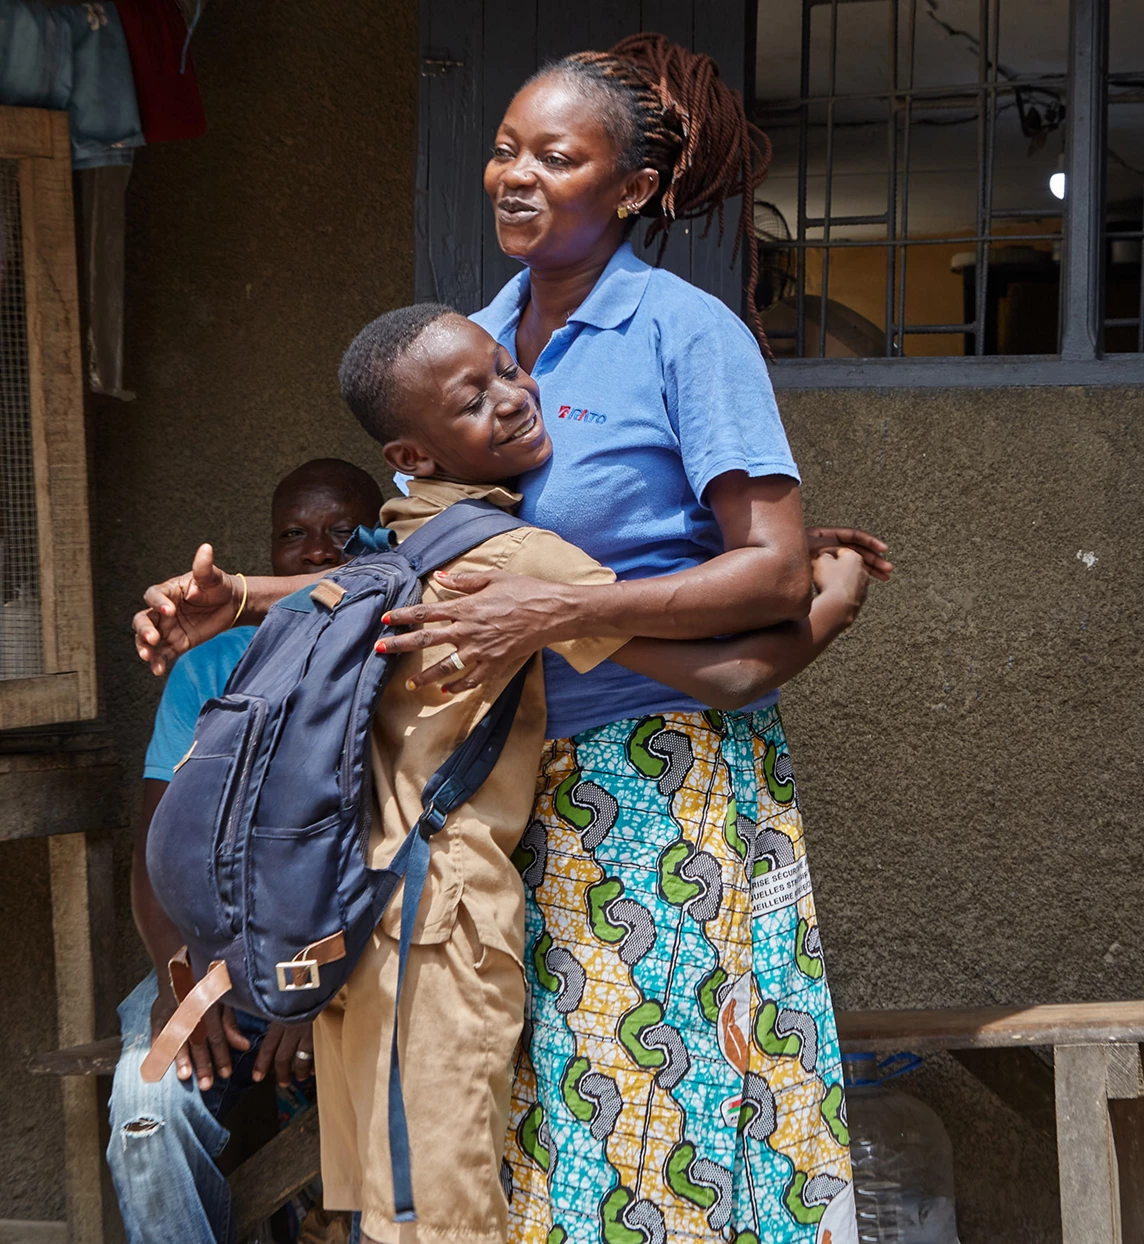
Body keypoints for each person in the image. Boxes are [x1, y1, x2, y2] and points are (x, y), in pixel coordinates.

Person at [132, 34, 883, 1244]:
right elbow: (418, 562)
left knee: (662, 1125)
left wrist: (570, 608)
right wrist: (251, 598)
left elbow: (773, 568)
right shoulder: (471, 342)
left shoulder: (684, 335)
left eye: (556, 155)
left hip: (654, 777)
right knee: (531, 1143)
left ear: (631, 189)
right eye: (501, 149)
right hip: (483, 803)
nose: (515, 176)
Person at [318, 302, 873, 1243]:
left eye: (506, 369)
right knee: (546, 1167)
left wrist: (238, 595)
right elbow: (738, 673)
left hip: (368, 904)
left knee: (432, 1188)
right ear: (413, 451)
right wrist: (839, 594)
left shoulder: (410, 536)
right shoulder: (518, 552)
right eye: (473, 397)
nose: (513, 395)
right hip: (460, 914)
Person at [110, 459, 383, 1244]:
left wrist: (318, 983)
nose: (317, 551)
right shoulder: (209, 667)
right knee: (149, 1114)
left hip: (370, 963)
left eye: (341, 532)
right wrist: (179, 978)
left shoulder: (407, 656)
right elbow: (160, 847)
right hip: (220, 962)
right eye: (294, 534)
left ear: (380, 538)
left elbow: (409, 848)